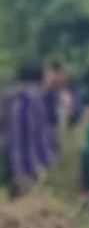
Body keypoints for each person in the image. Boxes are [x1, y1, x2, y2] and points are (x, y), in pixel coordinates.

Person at [1, 64, 53, 195]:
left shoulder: (5, 96)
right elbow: (37, 134)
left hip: (5, 154)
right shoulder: (35, 98)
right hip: (27, 162)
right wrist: (46, 160)